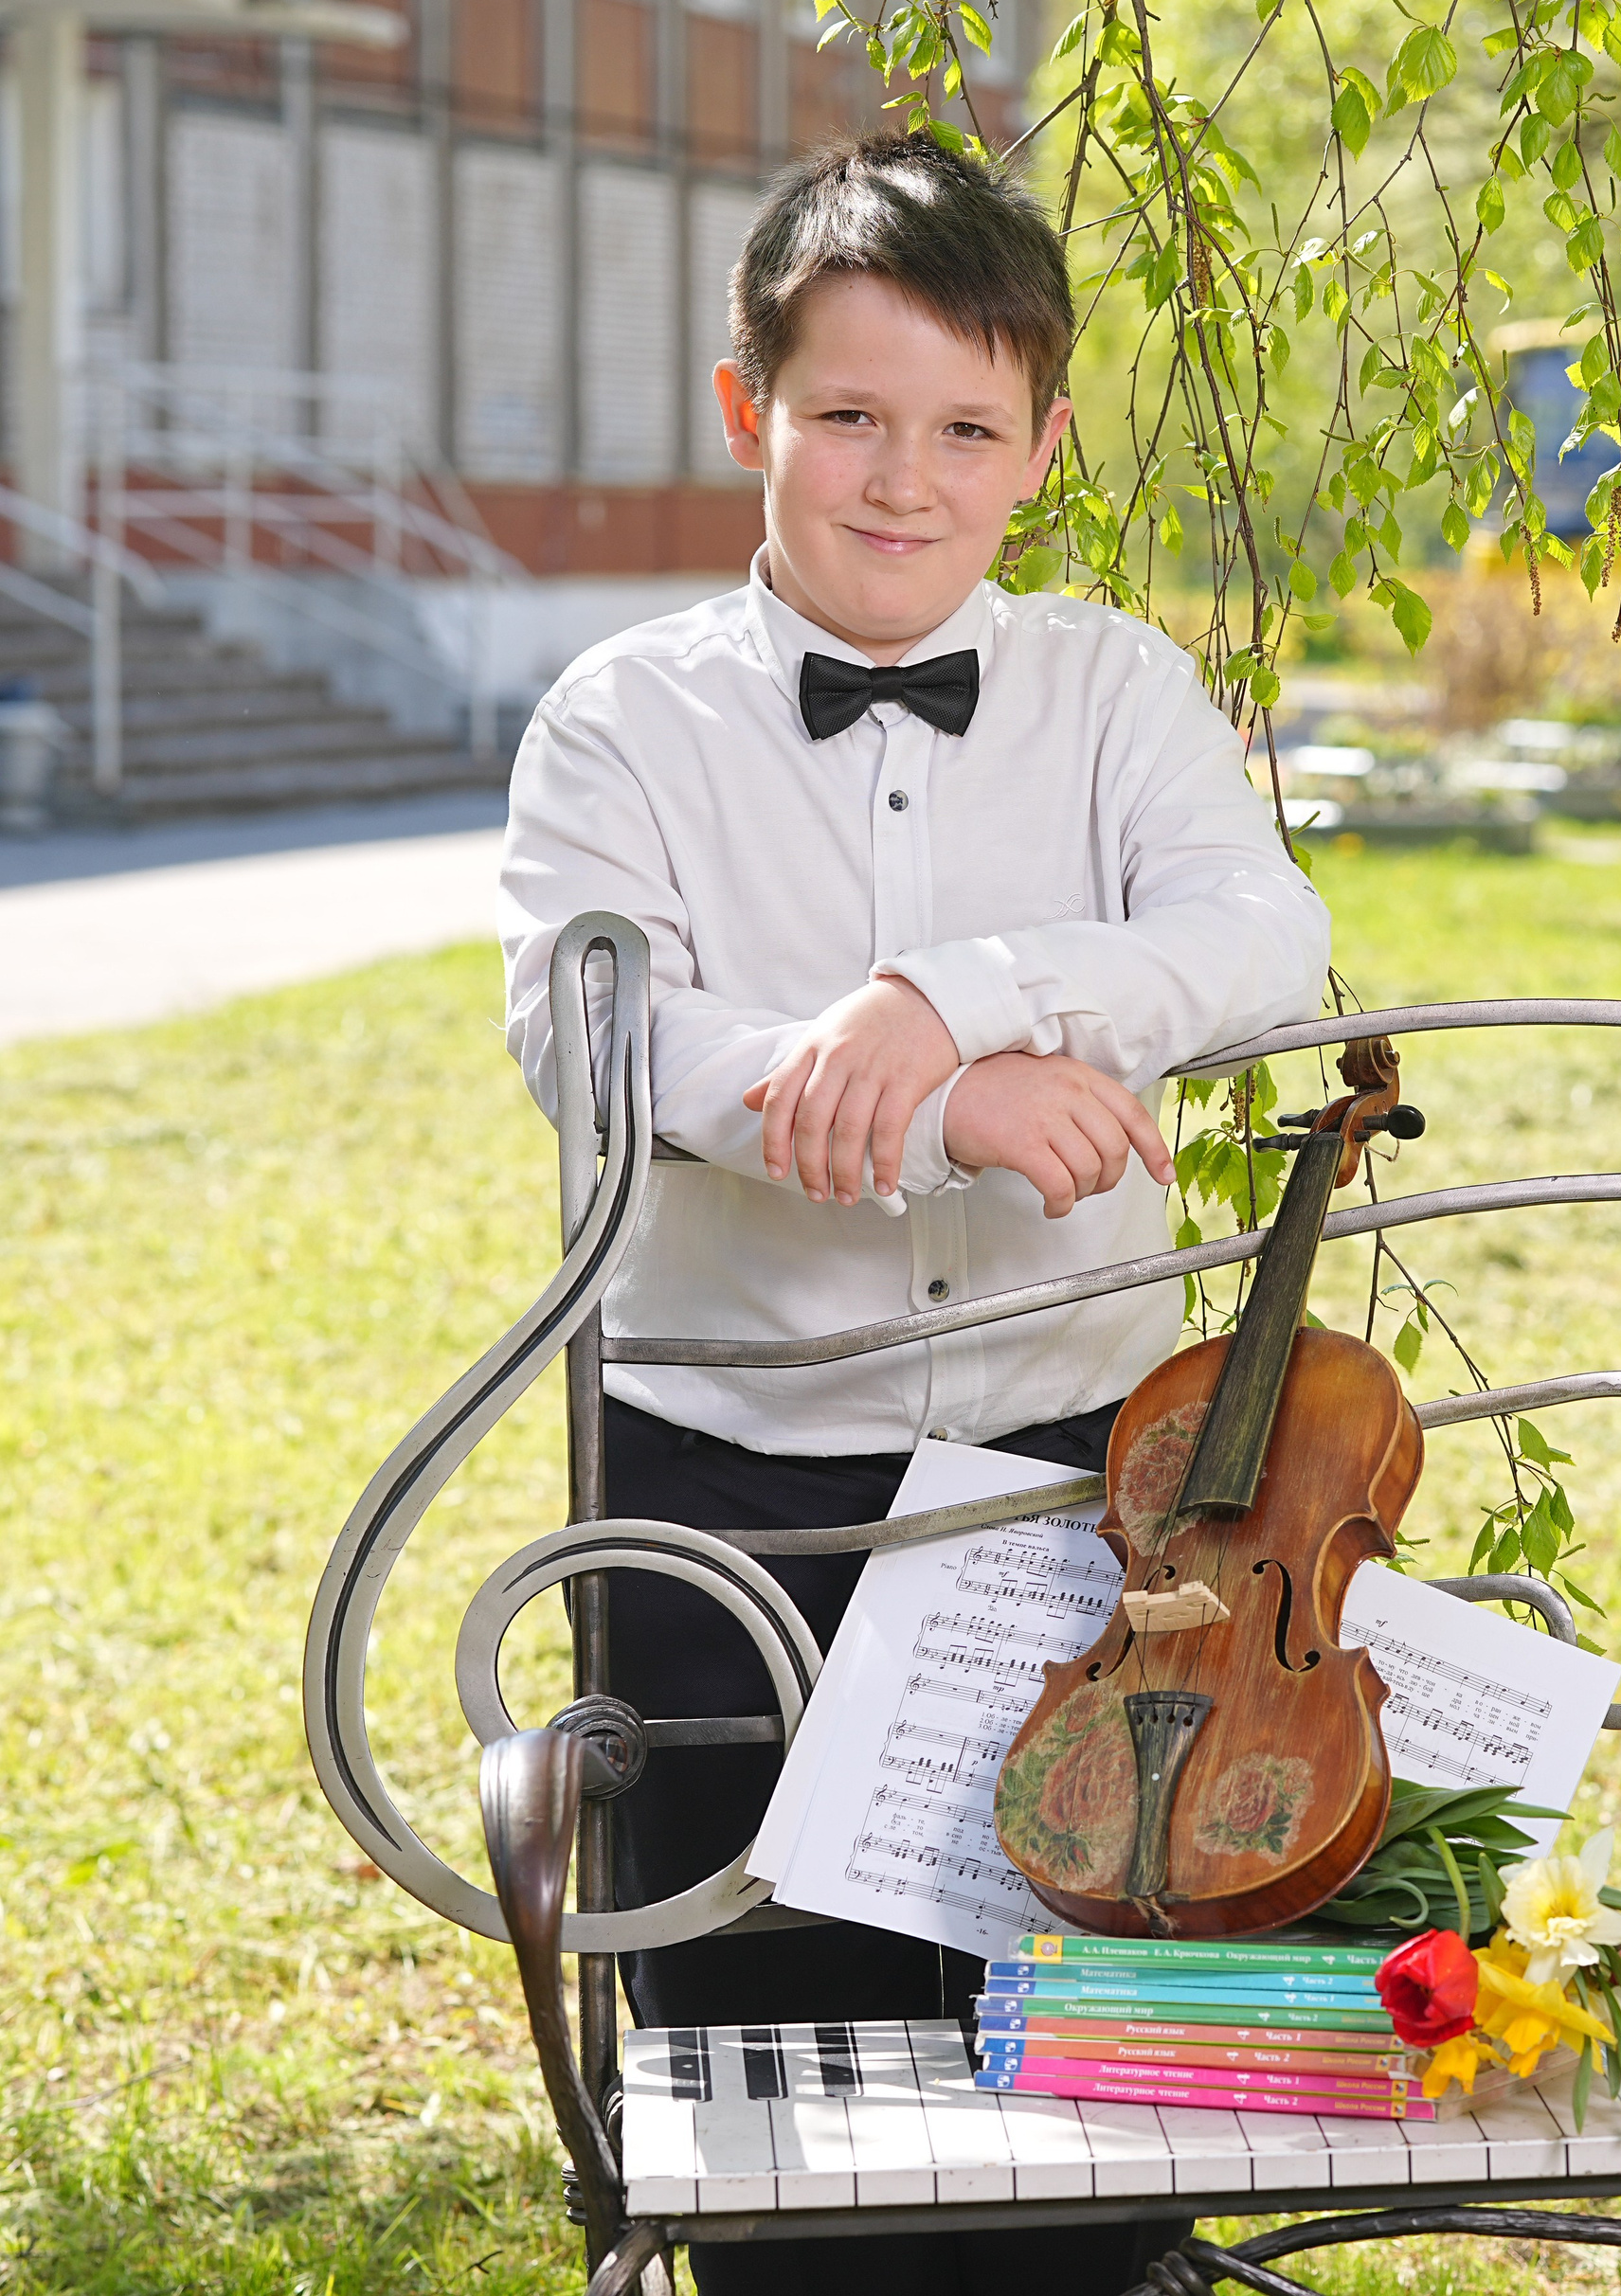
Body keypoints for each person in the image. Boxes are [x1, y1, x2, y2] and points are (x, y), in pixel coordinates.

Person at [497, 130, 1331, 2294]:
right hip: (728, 1494)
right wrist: (939, 1100)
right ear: (743, 410)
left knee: (1079, 2039)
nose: (901, 478)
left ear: (1042, 444)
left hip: (1076, 1485)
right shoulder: (621, 719)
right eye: (847, 414)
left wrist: (952, 987)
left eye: (964, 427)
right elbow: (609, 1044)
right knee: (772, 2071)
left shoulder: (1115, 688)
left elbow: (1262, 931)